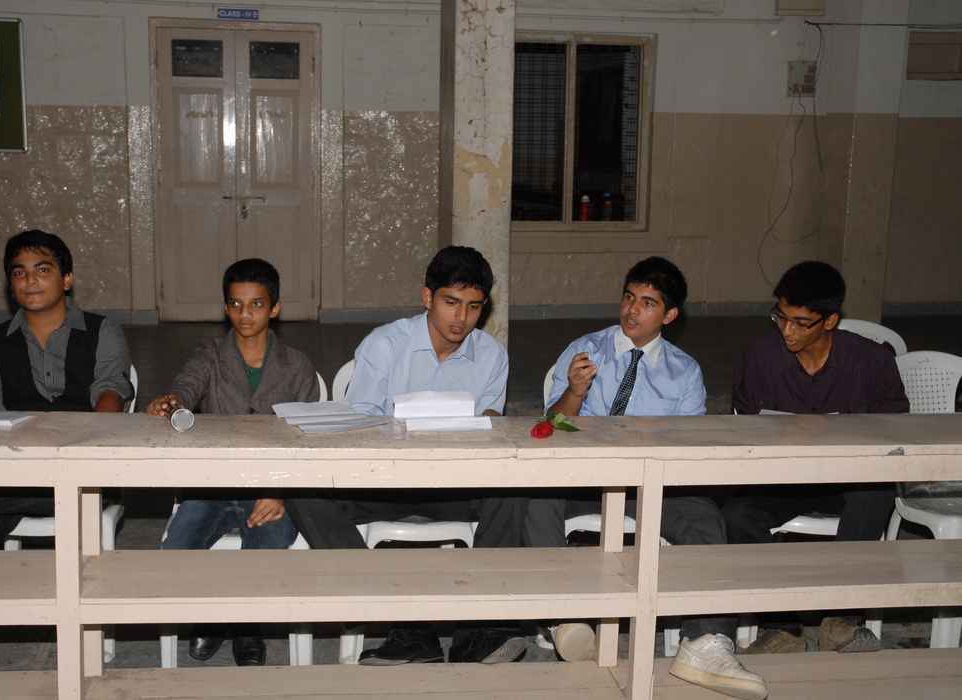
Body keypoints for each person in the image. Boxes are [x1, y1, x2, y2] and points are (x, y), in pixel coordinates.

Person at [529, 257, 768, 700]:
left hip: (650, 483)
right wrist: (575, 392)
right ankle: (564, 615)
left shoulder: (685, 371)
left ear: (670, 315)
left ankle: (706, 641)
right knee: (537, 497)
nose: (632, 310)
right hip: (584, 478)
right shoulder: (586, 348)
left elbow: (687, 451)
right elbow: (550, 426)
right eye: (628, 297)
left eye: (648, 303)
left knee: (703, 517)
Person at [286, 245, 527, 665]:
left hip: (454, 484)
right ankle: (402, 621)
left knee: (516, 491)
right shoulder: (385, 344)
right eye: (451, 302)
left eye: (473, 307)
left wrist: (484, 425)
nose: (461, 318)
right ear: (427, 297)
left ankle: (478, 629)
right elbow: (359, 428)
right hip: (385, 482)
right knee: (303, 491)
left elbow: (491, 427)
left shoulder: (491, 354)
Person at [0, 229, 133, 673]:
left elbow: (110, 390)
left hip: (81, 468)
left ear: (67, 278)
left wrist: (91, 436)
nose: (30, 280)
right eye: (19, 272)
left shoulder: (101, 331)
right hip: (15, 472)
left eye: (43, 269)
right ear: (9, 283)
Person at [724, 260, 909, 654]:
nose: (787, 331)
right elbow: (744, 424)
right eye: (781, 317)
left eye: (801, 323)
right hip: (782, 479)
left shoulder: (871, 361)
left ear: (830, 321)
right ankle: (782, 626)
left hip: (849, 480)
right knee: (737, 513)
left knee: (875, 494)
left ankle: (840, 619)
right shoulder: (760, 356)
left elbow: (895, 428)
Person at [146, 258, 318, 666]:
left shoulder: (297, 366)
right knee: (174, 553)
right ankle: (214, 615)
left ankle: (245, 627)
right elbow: (186, 387)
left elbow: (308, 438)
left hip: (270, 487)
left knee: (266, 546)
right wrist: (171, 402)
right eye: (236, 304)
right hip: (212, 484)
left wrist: (280, 491)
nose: (245, 314)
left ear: (274, 308)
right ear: (226, 308)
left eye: (256, 304)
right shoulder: (209, 356)